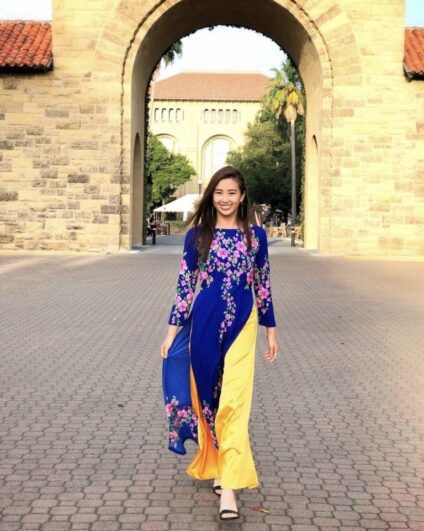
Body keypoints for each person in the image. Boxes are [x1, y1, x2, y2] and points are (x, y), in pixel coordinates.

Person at [160, 165, 278, 521]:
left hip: (243, 325)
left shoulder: (255, 236)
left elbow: (263, 285)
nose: (225, 199)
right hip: (205, 326)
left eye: (232, 193)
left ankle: (229, 486)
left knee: (234, 403)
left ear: (242, 197)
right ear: (211, 196)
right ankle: (216, 461)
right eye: (219, 193)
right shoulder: (198, 236)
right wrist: (171, 331)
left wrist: (271, 330)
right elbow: (185, 285)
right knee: (209, 400)